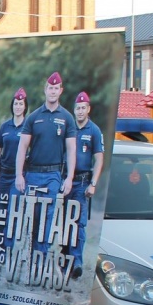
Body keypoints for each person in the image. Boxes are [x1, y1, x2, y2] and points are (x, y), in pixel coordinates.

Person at [14, 71, 77, 257]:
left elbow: (71, 150)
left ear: (61, 91)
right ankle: (32, 249)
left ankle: (40, 253)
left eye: (56, 88)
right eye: (50, 88)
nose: (53, 91)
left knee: (48, 213)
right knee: (32, 215)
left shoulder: (67, 118)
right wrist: (19, 175)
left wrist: (70, 178)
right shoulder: (33, 117)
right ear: (45, 89)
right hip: (33, 173)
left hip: (53, 174)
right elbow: (22, 147)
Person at [0, 88, 28, 267]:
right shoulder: (5, 127)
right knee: (3, 213)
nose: (18, 107)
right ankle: (3, 248)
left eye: (21, 104)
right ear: (13, 106)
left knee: (14, 211)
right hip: (4, 175)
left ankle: (10, 248)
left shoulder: (29, 126)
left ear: (25, 106)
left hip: (20, 177)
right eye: (16, 104)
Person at [67, 91, 105, 279]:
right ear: (74, 110)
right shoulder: (69, 127)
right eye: (77, 108)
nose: (80, 111)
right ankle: (64, 258)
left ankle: (77, 263)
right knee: (62, 221)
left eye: (83, 108)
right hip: (65, 180)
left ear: (88, 109)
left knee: (79, 223)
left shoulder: (94, 131)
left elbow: (99, 159)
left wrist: (93, 184)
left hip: (82, 182)